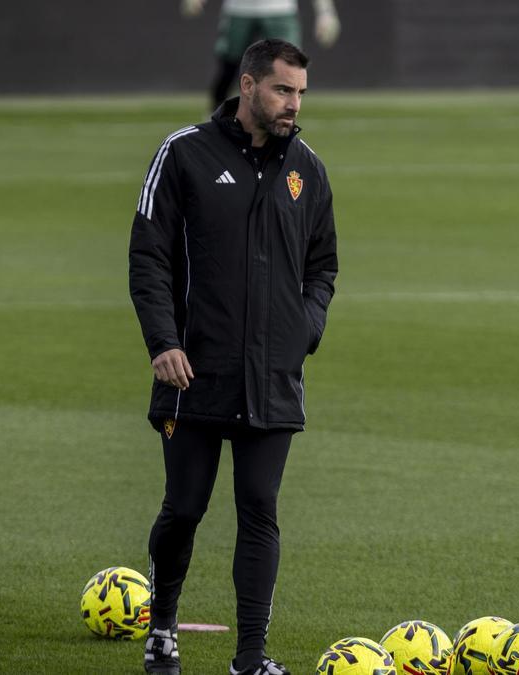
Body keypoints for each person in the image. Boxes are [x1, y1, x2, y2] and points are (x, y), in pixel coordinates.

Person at [128, 38, 338, 675]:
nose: (293, 104)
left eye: (300, 92)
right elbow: (149, 257)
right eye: (282, 90)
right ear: (247, 85)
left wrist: (304, 329)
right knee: (184, 508)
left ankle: (250, 657)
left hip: (272, 377)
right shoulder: (184, 154)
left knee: (259, 509)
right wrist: (163, 342)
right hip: (195, 373)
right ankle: (162, 623)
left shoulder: (308, 169)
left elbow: (323, 266)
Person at [181, 0, 339, 109]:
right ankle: (215, 114)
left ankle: (283, 114)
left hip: (280, 9)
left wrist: (326, 12)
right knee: (230, 65)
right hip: (239, 9)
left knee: (289, 65)